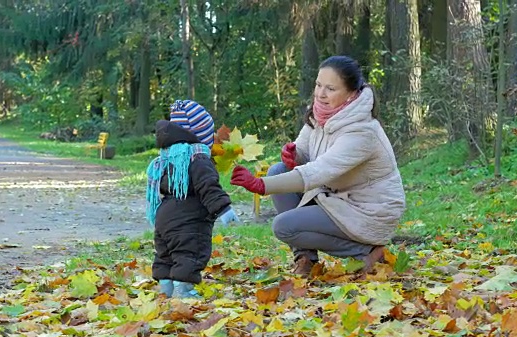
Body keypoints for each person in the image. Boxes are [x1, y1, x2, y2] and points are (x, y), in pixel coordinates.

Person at [230, 55, 406, 276]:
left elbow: (319, 171)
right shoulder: (321, 115)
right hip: (337, 197)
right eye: (318, 85)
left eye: (330, 88)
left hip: (369, 209)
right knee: (278, 170)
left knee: (283, 226)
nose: (321, 94)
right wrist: (295, 157)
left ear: (352, 94)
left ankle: (367, 251)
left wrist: (260, 184)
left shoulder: (362, 132)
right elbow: (304, 154)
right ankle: (305, 258)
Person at [146, 100, 240, 298]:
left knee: (166, 255)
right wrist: (224, 209)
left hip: (164, 215)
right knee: (190, 252)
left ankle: (166, 290)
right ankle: (184, 290)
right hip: (188, 219)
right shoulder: (198, 158)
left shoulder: (167, 157)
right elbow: (208, 185)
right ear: (201, 136)